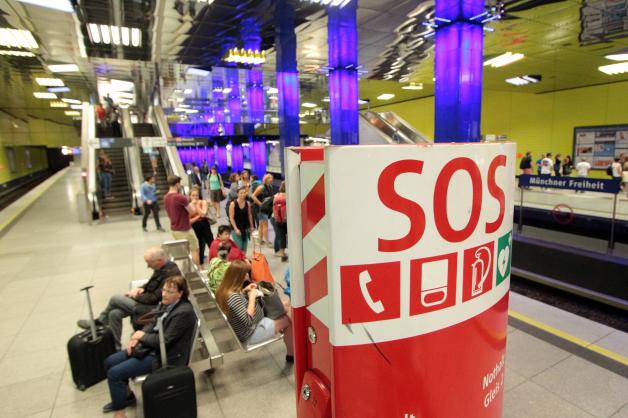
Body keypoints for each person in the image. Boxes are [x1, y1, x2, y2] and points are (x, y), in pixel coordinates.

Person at [103, 276, 196, 417]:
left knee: (114, 374)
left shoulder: (183, 312)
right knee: (109, 362)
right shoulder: (166, 303)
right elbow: (152, 322)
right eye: (164, 290)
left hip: (164, 355)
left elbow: (165, 340)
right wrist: (137, 336)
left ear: (180, 294)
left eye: (170, 291)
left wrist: (142, 337)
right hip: (150, 346)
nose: (164, 294)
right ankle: (127, 396)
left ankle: (120, 412)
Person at [77, 248, 181, 350]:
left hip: (152, 308)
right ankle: (115, 347)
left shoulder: (170, 274)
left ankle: (100, 322)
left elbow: (154, 298)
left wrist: (135, 296)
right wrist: (141, 288)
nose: (148, 266)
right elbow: (151, 283)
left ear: (159, 261)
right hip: (146, 302)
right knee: (114, 313)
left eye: (150, 263)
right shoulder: (161, 268)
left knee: (115, 299)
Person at [215, 261, 293, 362]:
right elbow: (248, 320)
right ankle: (291, 355)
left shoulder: (224, 290)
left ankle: (293, 341)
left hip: (245, 329)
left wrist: (244, 291)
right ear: (238, 276)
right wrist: (252, 297)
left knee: (286, 306)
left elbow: (236, 306)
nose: (247, 275)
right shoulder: (233, 296)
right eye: (245, 273)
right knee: (288, 319)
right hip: (250, 333)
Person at [164, 175, 200, 267]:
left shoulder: (166, 197)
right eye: (180, 183)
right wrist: (193, 203)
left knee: (183, 252)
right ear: (177, 184)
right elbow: (192, 211)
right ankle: (198, 269)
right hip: (184, 229)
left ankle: (186, 269)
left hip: (174, 229)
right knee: (194, 249)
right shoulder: (180, 197)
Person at [189, 186, 214, 267]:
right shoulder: (188, 206)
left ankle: (215, 259)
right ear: (190, 196)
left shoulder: (203, 202)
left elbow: (203, 214)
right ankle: (201, 262)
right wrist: (197, 217)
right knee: (200, 244)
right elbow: (189, 221)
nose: (195, 197)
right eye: (193, 195)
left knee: (210, 241)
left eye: (196, 195)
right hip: (195, 226)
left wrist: (196, 205)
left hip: (204, 224)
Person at [252, 173, 275, 246]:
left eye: (272, 178)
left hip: (266, 208)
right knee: (265, 224)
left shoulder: (270, 186)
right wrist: (260, 204)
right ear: (266, 179)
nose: (271, 179)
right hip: (260, 208)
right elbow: (253, 196)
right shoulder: (261, 187)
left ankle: (260, 240)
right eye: (270, 178)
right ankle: (267, 241)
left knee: (261, 224)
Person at [229, 186, 255, 252]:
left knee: (244, 246)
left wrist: (251, 226)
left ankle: (243, 260)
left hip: (245, 227)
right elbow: (231, 218)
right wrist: (236, 229)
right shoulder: (233, 204)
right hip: (236, 227)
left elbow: (249, 215)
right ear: (237, 194)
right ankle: (238, 261)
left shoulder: (247, 204)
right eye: (241, 193)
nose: (243, 194)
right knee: (239, 246)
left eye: (244, 193)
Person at [270, 181, 288, 261]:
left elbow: (273, 208)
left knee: (281, 236)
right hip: (287, 220)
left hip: (277, 219)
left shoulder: (276, 195)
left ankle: (282, 253)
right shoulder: (289, 195)